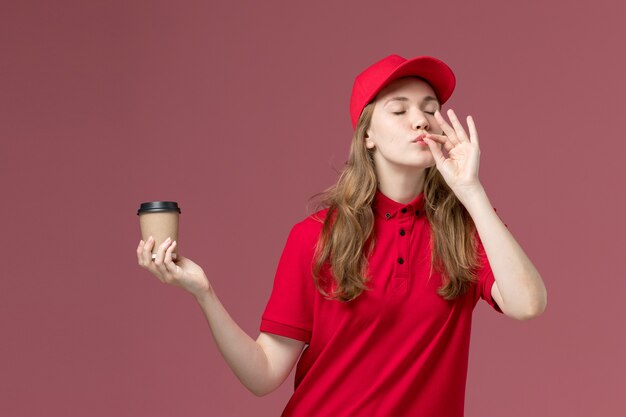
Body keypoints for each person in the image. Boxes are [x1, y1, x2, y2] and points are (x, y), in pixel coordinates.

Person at [136, 54, 547, 417]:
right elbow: (263, 375)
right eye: (399, 110)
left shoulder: (467, 226)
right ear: (366, 135)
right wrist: (204, 292)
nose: (421, 119)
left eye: (430, 108)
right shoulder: (314, 238)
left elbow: (527, 304)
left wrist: (471, 192)